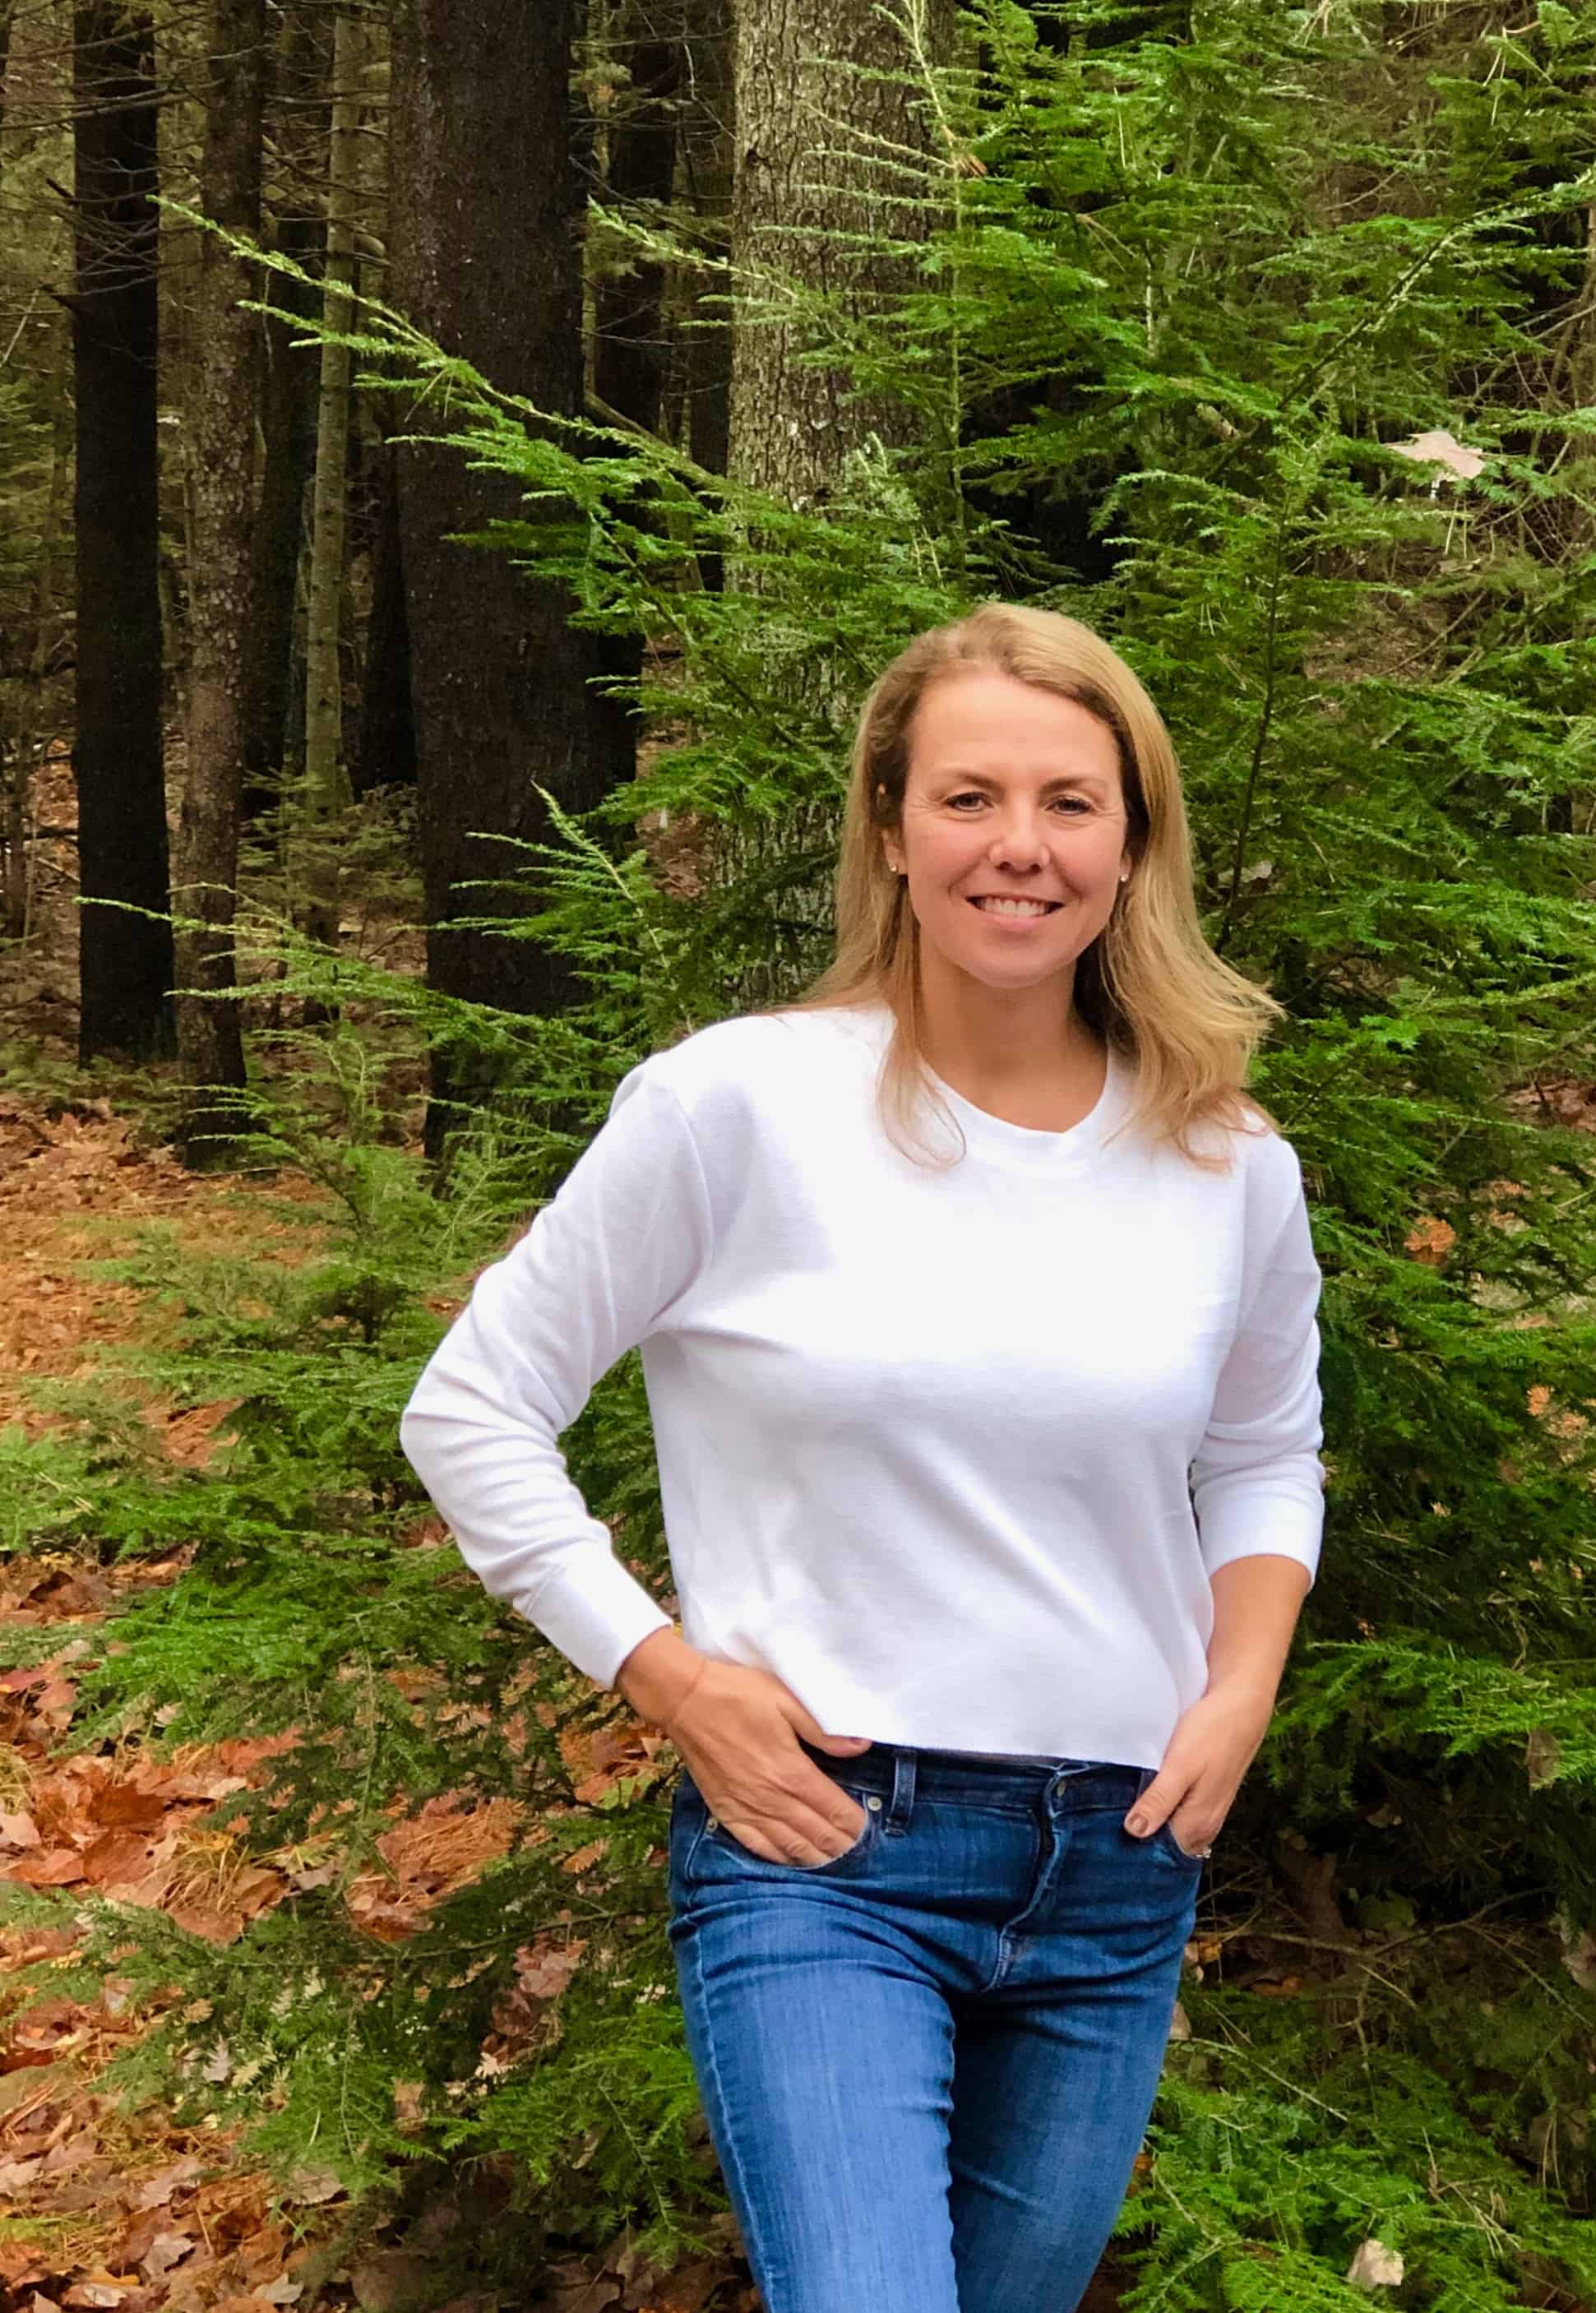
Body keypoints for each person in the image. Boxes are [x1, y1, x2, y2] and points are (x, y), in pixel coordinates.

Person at [398, 601, 1327, 2313]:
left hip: (1118, 1865)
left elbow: (1266, 1453)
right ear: (891, 830)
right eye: (968, 797)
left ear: (1132, 846)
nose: (1019, 846)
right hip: (831, 1855)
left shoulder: (1226, 1158)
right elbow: (469, 1405)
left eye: (1070, 802)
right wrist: (669, 1677)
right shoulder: (738, 1106)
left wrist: (1241, 1688)